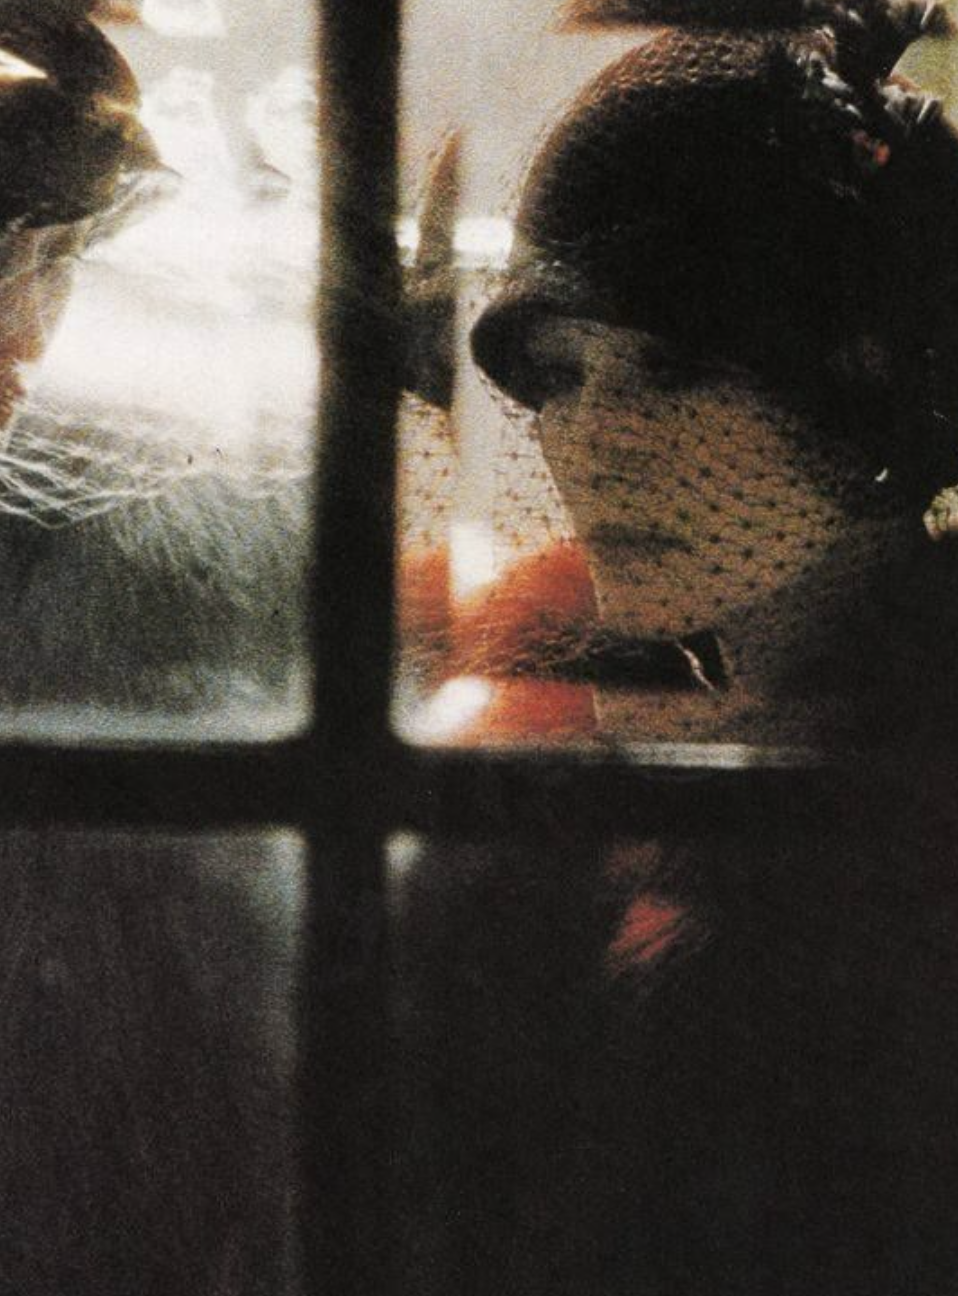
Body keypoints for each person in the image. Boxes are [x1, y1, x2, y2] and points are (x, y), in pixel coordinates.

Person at [396, 2, 958, 1293]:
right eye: (560, 374)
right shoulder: (543, 734)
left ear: (865, 382)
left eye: (675, 370)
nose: (594, 439)